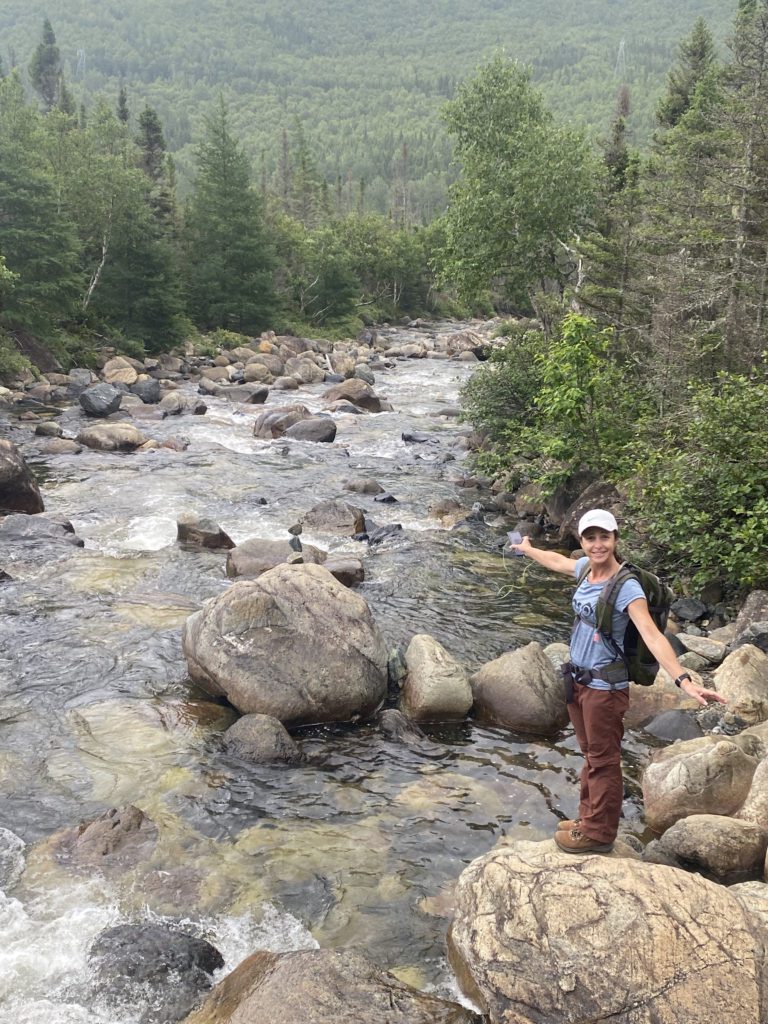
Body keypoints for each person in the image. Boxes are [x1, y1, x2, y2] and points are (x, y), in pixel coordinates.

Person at [510, 508, 726, 854]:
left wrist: (684, 680)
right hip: (579, 680)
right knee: (591, 756)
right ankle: (587, 817)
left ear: (614, 540)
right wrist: (528, 549)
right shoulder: (585, 571)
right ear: (581, 541)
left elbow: (654, 636)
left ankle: (598, 833)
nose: (597, 545)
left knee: (603, 759)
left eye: (604, 537)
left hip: (604, 689)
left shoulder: (626, 588)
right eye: (590, 538)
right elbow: (558, 562)